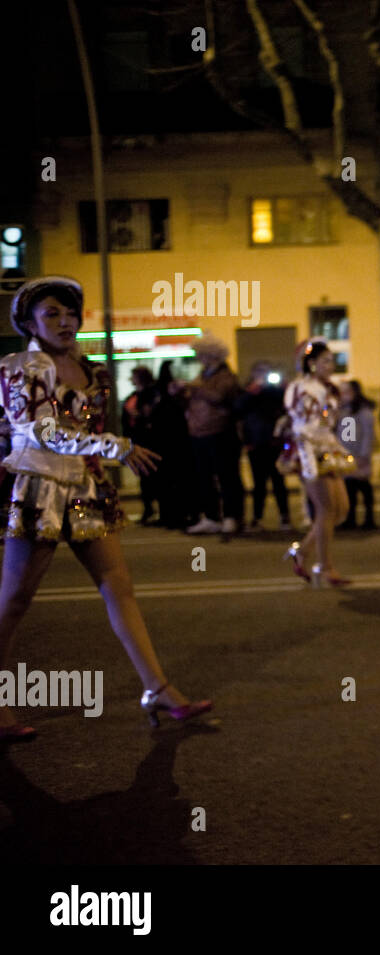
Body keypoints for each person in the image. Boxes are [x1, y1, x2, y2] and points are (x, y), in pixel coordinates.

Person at [0, 277, 212, 743]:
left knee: (120, 590)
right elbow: (42, 432)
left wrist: (102, 455)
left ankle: (158, 688)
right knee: (14, 602)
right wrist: (112, 445)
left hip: (85, 489)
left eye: (70, 312)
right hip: (40, 487)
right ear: (29, 322)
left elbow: (83, 429)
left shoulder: (88, 369)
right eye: (51, 313)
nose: (65, 321)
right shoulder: (22, 367)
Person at [282, 339, 354, 587]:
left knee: (341, 510)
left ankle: (302, 552)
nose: (330, 365)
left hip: (328, 447)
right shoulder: (299, 387)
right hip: (308, 449)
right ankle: (325, 568)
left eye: (332, 360)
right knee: (325, 510)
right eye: (325, 361)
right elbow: (301, 422)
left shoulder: (331, 388)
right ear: (311, 363)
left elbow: (330, 422)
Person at [181, 336, 245, 534]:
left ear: (211, 355)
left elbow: (219, 396)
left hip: (221, 432)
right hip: (200, 432)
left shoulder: (226, 376)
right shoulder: (204, 375)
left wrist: (194, 388)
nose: (198, 357)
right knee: (204, 477)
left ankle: (231, 516)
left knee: (227, 476)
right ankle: (211, 516)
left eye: (201, 353)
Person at [235, 361, 292, 532]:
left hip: (274, 443)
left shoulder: (276, 391)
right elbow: (238, 409)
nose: (263, 377)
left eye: (266, 373)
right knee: (258, 484)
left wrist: (284, 387)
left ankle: (285, 517)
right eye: (259, 373)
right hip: (256, 444)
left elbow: (288, 406)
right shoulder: (249, 391)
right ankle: (257, 518)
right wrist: (250, 392)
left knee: (278, 482)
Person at [154, 360, 195, 529]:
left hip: (169, 443)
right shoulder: (171, 399)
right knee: (178, 481)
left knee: (171, 482)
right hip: (176, 443)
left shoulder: (164, 399)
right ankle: (177, 514)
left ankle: (172, 515)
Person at [122, 366, 162, 524]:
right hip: (136, 438)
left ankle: (155, 508)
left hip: (148, 440)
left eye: (134, 376)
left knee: (151, 476)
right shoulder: (133, 396)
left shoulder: (151, 395)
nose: (131, 379)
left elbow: (151, 415)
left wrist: (141, 416)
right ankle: (148, 509)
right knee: (143, 478)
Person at [337, 379, 376, 530]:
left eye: (347, 392)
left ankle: (369, 518)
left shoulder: (363, 411)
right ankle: (350, 518)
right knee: (349, 488)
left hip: (359, 454)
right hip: (347, 454)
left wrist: (364, 454)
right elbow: (343, 434)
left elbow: (368, 434)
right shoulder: (343, 411)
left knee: (363, 486)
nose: (344, 395)